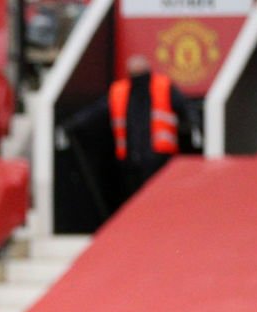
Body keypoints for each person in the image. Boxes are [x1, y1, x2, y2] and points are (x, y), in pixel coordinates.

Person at [63, 55, 202, 207]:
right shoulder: (119, 91)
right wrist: (73, 123)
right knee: (137, 199)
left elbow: (185, 107)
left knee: (159, 197)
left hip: (159, 156)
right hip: (131, 158)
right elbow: (97, 111)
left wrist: (194, 123)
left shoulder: (163, 86)